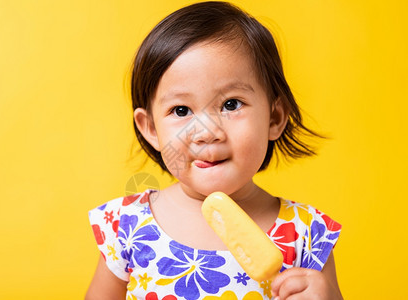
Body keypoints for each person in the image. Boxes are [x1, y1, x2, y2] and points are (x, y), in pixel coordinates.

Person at [86, 2, 342, 299]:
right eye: (181, 110)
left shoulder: (306, 235)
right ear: (152, 129)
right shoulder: (125, 225)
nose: (206, 132)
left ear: (274, 118)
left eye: (231, 104)